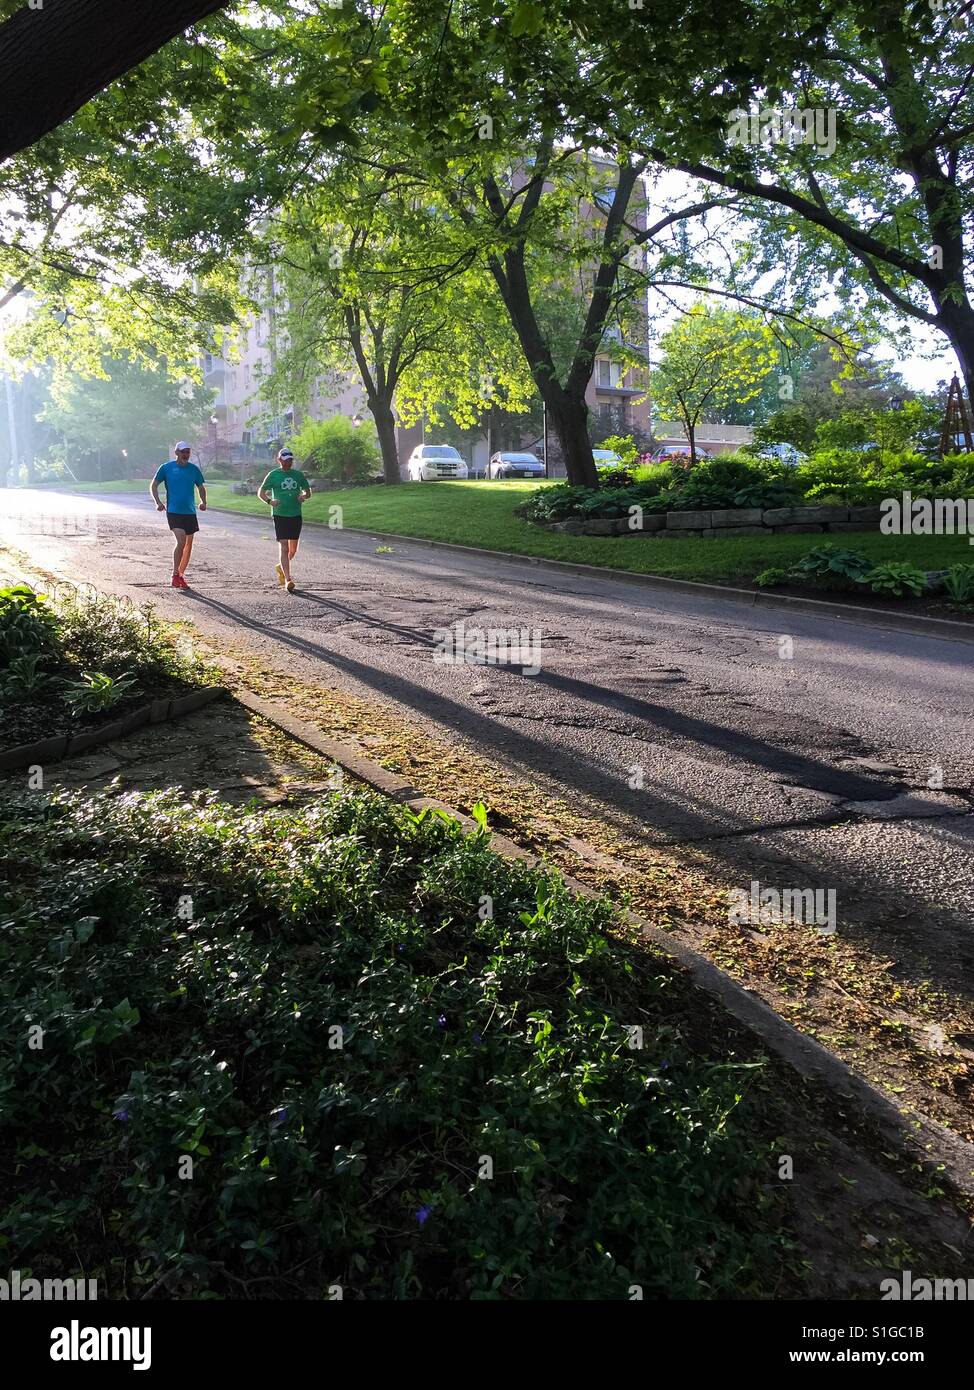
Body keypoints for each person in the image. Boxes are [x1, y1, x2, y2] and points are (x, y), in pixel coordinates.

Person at [150, 442, 206, 589]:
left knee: (188, 545)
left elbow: (200, 486)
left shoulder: (193, 470)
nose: (186, 454)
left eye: (188, 452)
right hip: (174, 511)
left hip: (190, 512)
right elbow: (154, 485)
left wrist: (203, 501)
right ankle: (175, 575)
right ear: (176, 452)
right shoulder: (166, 468)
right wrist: (158, 502)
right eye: (183, 452)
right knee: (181, 541)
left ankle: (180, 575)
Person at [258, 447, 310, 592]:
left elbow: (308, 491)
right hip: (280, 514)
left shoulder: (298, 475)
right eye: (286, 460)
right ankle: (288, 579)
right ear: (279, 460)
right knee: (284, 547)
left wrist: (304, 496)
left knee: (293, 549)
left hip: (295, 514)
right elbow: (261, 492)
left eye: (291, 460)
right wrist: (269, 501)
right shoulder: (273, 475)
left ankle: (280, 567)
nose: (288, 463)